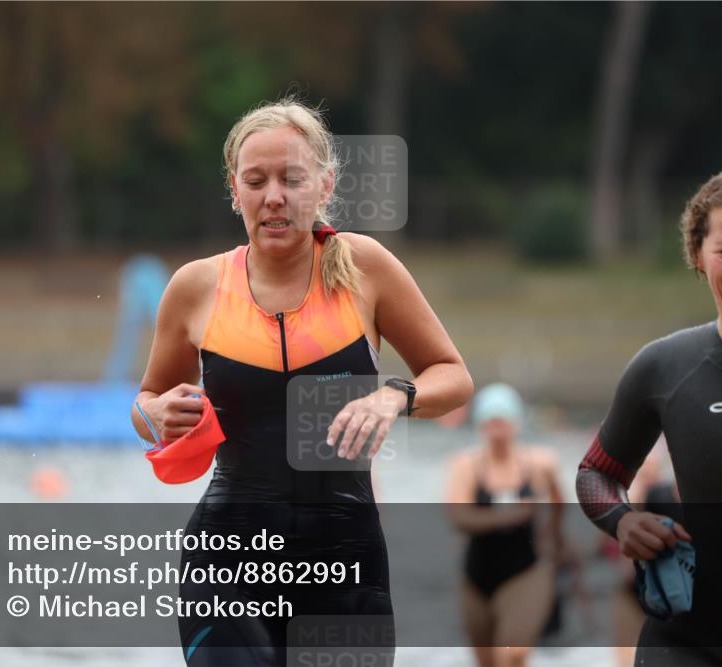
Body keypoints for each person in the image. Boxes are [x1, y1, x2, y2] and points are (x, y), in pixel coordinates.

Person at [131, 98, 473, 665]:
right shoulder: (196, 287)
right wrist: (156, 414)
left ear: (324, 185)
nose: (274, 197)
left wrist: (395, 395)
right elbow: (145, 404)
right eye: (256, 181)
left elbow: (453, 376)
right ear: (234, 190)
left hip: (345, 562)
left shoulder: (365, 268)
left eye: (291, 179)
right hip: (227, 560)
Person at [576, 165, 722, 666]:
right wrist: (622, 521)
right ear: (697, 255)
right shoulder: (663, 366)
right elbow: (597, 473)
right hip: (687, 639)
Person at [446, 383, 566, 667]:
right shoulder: (466, 466)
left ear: (516, 423)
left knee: (512, 654)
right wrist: (511, 516)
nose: (497, 431)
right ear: (480, 425)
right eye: (491, 423)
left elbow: (559, 503)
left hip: (527, 571)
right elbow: (459, 517)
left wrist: (554, 538)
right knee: (487, 661)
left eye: (503, 422)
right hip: (476, 575)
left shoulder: (539, 464)